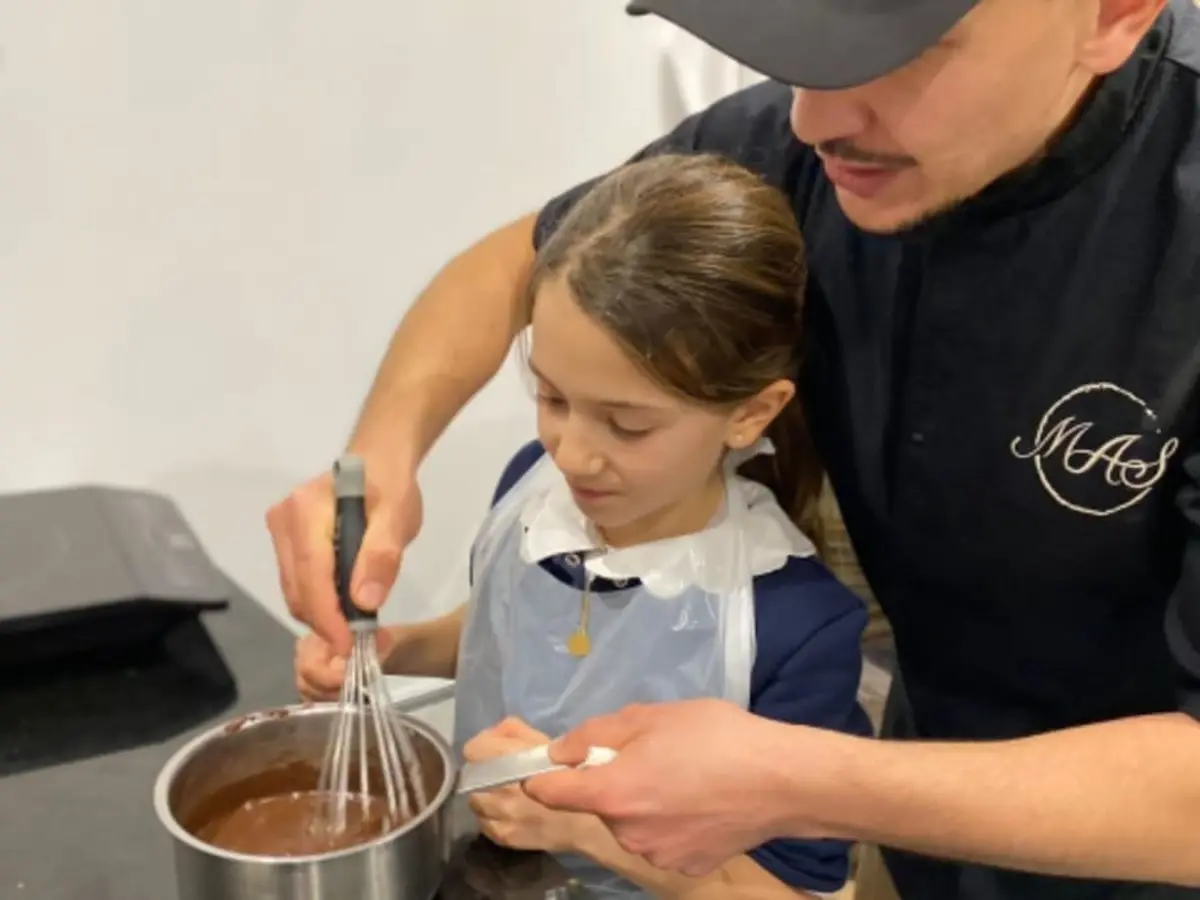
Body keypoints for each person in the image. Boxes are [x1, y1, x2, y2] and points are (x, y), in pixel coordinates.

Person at [266, 0, 1200, 897]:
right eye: (803, 43)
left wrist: (802, 781)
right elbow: (523, 261)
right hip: (926, 818)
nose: (814, 117)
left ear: (1113, 12)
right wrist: (383, 449)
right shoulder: (817, 139)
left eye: (901, 50)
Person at [293, 154, 874, 899]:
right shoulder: (531, 495)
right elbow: (510, 626)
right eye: (553, 398)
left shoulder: (796, 625)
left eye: (626, 425)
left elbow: (791, 893)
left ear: (751, 414)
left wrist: (580, 829)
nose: (570, 452)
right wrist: (395, 651)